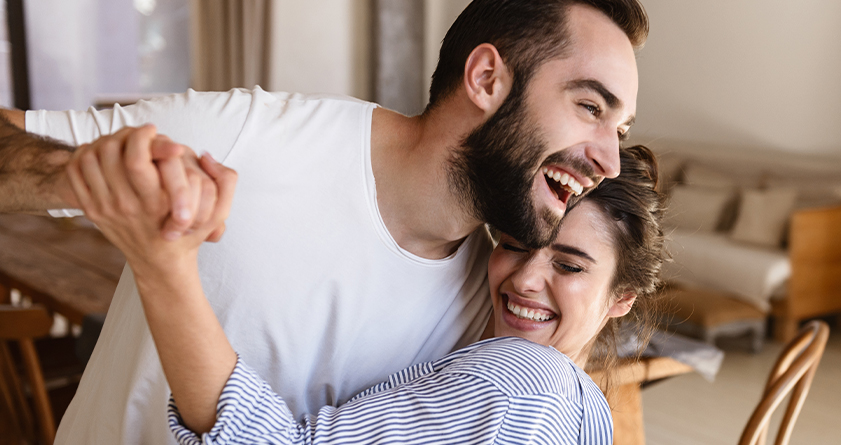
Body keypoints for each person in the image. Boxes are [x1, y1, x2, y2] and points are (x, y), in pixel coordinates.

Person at [0, 1, 648, 443]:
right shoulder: (252, 133)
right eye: (589, 105)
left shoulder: (501, 294)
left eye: (619, 129)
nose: (607, 157)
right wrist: (89, 179)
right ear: (486, 78)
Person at [69, 140, 666, 444]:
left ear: (623, 297)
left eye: (569, 266)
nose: (523, 279)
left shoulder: (523, 380)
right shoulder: (589, 413)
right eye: (512, 242)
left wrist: (165, 266)